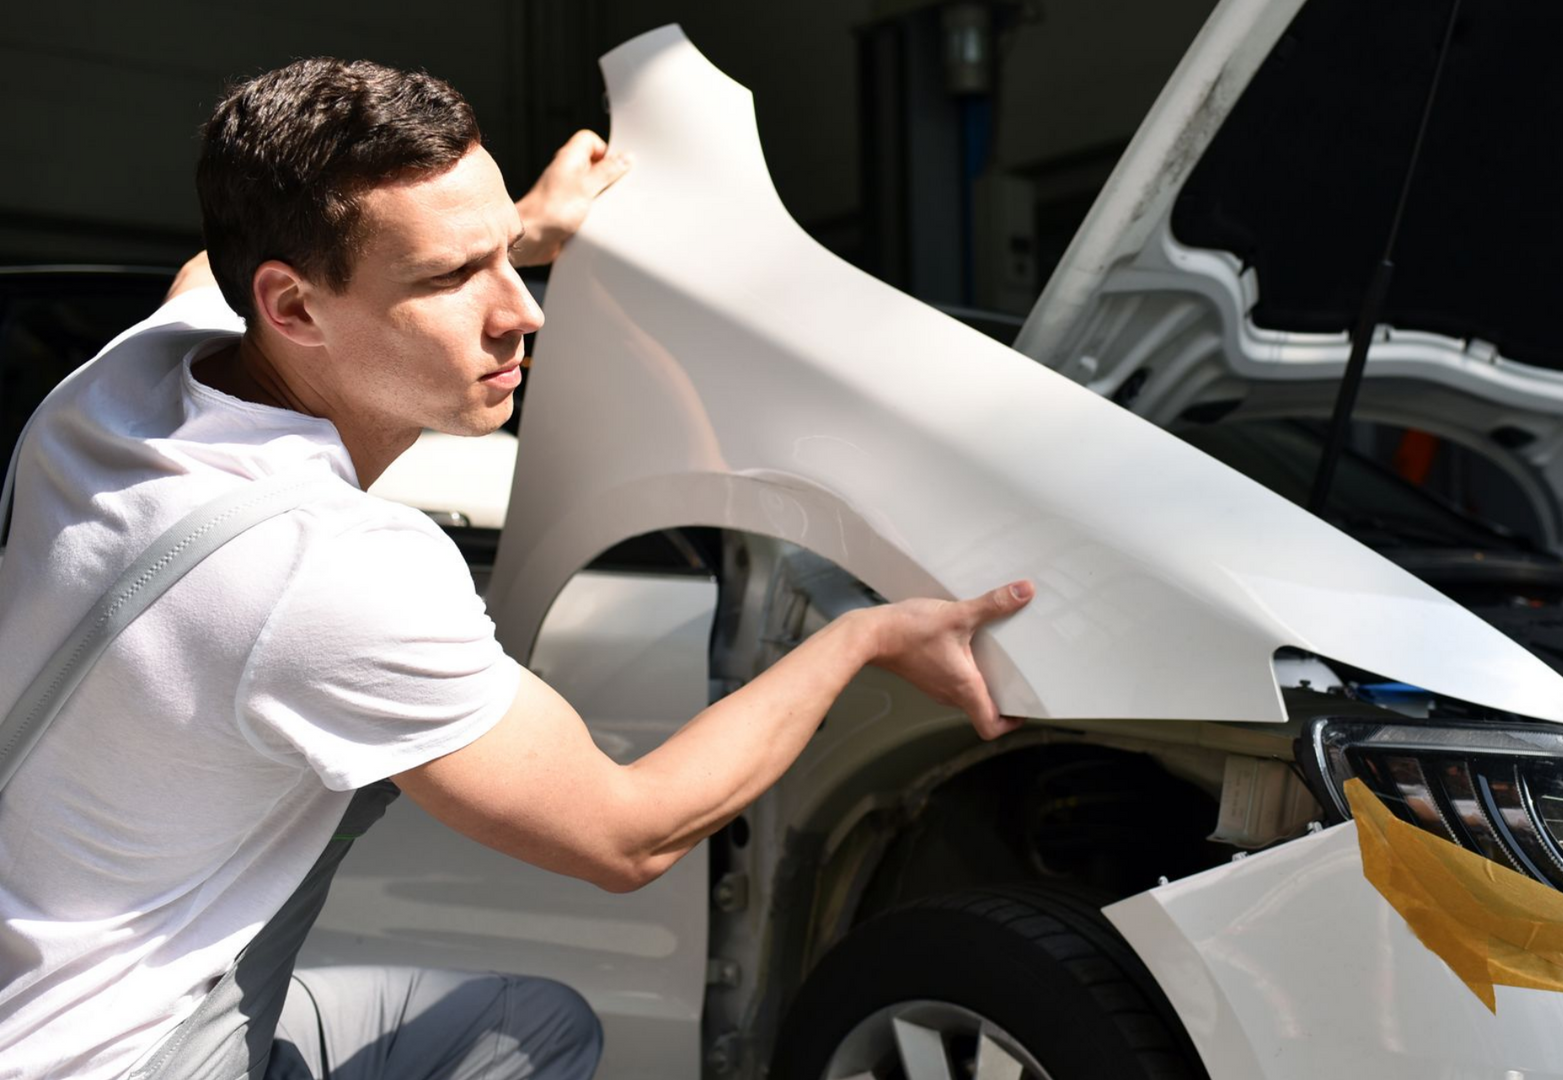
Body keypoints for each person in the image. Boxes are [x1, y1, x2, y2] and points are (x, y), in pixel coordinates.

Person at [0, 57, 1033, 1080]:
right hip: (119, 1057)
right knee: (526, 1041)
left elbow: (210, 265)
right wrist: (859, 637)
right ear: (294, 309)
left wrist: (517, 228)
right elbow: (627, 837)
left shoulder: (111, 389)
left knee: (525, 1024)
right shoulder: (328, 572)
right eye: (451, 279)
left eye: (505, 258)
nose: (522, 310)